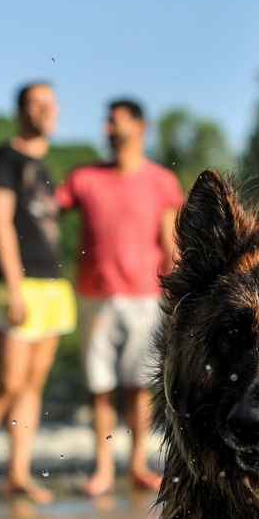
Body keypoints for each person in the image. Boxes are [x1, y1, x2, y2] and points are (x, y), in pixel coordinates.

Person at [55, 99, 184, 496]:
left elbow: (170, 242)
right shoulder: (83, 178)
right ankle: (102, 470)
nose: (107, 128)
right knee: (99, 386)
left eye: (115, 121)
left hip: (145, 295)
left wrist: (180, 289)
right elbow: (44, 214)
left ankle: (137, 465)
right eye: (106, 122)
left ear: (139, 126)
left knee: (138, 385)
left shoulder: (162, 182)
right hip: (95, 294)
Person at [0, 82, 76, 507]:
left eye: (51, 104)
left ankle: (17, 474)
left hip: (52, 283)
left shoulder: (44, 166)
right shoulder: (4, 159)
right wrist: (12, 286)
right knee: (6, 382)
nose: (46, 111)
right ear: (20, 112)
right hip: (20, 283)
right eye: (37, 104)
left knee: (32, 385)